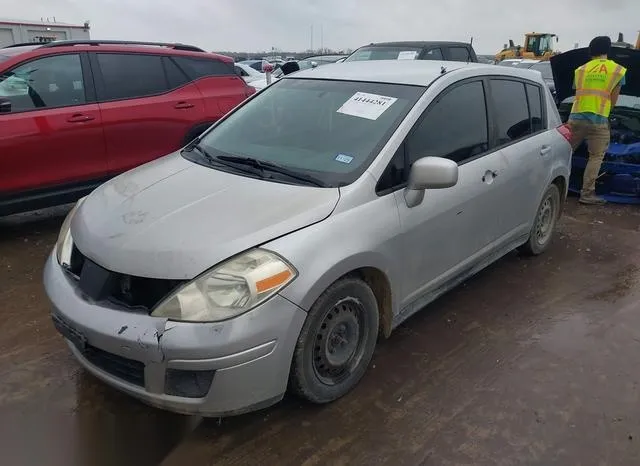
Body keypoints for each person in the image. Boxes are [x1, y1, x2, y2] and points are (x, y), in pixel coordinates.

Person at [568, 36, 626, 205]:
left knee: (564, 153)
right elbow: (613, 100)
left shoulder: (580, 70)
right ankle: (586, 194)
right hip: (598, 119)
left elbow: (577, 92)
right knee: (595, 157)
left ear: (590, 50)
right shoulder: (617, 70)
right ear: (608, 50)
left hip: (576, 117)